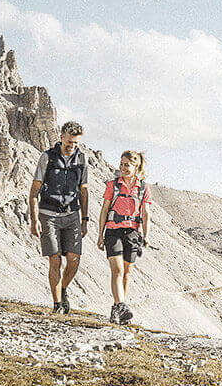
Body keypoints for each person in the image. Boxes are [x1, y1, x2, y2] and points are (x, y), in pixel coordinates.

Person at [30, 121, 89, 314]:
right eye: (69, 142)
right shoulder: (47, 157)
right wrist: (34, 219)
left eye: (76, 143)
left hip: (72, 214)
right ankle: (57, 306)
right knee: (55, 260)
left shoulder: (82, 160)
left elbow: (84, 191)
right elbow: (34, 191)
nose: (72, 146)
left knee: (74, 259)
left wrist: (85, 219)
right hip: (48, 214)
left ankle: (63, 289)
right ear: (61, 137)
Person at [97, 151, 152, 324]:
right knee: (117, 270)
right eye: (121, 164)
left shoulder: (143, 188)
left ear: (136, 167)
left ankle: (118, 309)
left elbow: (146, 214)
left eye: (127, 165)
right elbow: (104, 210)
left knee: (127, 274)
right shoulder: (112, 185)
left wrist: (146, 235)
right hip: (113, 231)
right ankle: (121, 305)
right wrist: (100, 234)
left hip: (133, 233)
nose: (123, 168)